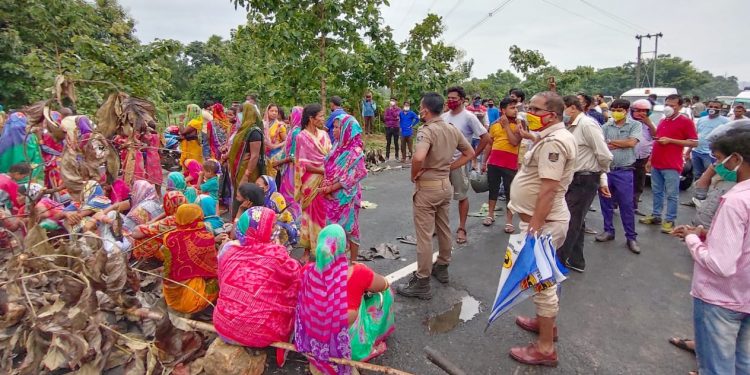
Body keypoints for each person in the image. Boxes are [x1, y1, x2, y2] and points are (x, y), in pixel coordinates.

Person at [671, 129, 750, 375]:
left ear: (735, 159)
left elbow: (721, 264)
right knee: (742, 363)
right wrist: (707, 234)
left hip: (721, 297)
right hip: (745, 296)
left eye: (717, 159)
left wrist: (693, 238)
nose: (715, 165)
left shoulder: (736, 201)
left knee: (717, 367)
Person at [507, 91, 577, 367]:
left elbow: (548, 189)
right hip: (541, 221)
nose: (529, 112)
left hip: (544, 223)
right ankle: (544, 324)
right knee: (542, 279)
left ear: (553, 115)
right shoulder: (550, 137)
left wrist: (534, 227)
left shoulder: (555, 143)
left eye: (535, 109)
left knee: (542, 283)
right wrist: (530, 137)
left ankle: (545, 348)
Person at [397, 92, 473, 300]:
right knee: (443, 228)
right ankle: (443, 266)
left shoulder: (426, 131)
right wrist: (449, 167)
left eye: (421, 107)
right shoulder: (451, 129)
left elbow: (419, 156)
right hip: (445, 186)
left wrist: (414, 175)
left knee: (424, 236)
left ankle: (422, 281)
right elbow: (470, 153)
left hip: (428, 188)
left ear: (425, 110)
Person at [295, 224, 394, 373]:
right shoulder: (357, 273)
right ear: (344, 247)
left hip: (313, 342)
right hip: (347, 347)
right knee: (386, 294)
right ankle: (368, 344)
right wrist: (365, 276)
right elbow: (384, 285)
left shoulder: (307, 271)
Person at [214, 207, 301, 347]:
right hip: (256, 333)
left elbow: (222, 281)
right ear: (259, 230)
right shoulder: (277, 255)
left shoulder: (228, 248)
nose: (275, 229)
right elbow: (296, 278)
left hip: (223, 325)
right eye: (271, 226)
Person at [556, 96, 612, 272]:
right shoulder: (571, 126)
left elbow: (604, 155)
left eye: (563, 109)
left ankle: (556, 264)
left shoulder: (587, 124)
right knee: (576, 220)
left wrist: (600, 177)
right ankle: (576, 260)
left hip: (585, 179)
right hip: (574, 178)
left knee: (569, 221)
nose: (561, 114)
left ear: (572, 108)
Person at [639, 94, 698, 233]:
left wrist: (671, 141)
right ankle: (656, 215)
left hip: (672, 164)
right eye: (667, 105)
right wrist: (650, 160)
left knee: (672, 194)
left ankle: (670, 220)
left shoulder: (685, 121)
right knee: (657, 191)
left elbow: (694, 142)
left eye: (672, 106)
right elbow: (657, 141)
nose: (669, 108)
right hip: (657, 163)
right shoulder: (663, 120)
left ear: (680, 106)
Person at [441, 86, 490, 244]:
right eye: (448, 98)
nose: (451, 101)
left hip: (459, 163)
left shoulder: (469, 117)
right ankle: (440, 227)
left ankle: (461, 228)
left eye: (454, 98)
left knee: (461, 196)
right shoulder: (443, 117)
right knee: (441, 197)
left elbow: (485, 137)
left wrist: (473, 155)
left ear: (462, 99)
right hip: (442, 164)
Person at [595, 99, 642, 254]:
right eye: (613, 109)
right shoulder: (606, 126)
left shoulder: (635, 125)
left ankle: (631, 237)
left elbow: (631, 143)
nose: (616, 112)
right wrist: (619, 143)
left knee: (626, 205)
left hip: (625, 170)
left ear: (627, 111)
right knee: (605, 202)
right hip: (607, 170)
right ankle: (608, 231)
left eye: (619, 109)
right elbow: (601, 145)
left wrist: (611, 142)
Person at [320, 114, 368, 260]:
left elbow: (356, 175)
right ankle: (334, 260)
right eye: (333, 127)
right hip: (332, 196)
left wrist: (331, 187)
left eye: (336, 127)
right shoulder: (336, 147)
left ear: (347, 130)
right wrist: (326, 184)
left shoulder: (355, 152)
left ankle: (353, 263)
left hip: (347, 196)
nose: (333, 130)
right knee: (332, 228)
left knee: (350, 228)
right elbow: (328, 167)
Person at [162, 203, 218, 314]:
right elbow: (213, 269)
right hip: (192, 301)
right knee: (220, 277)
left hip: (171, 297)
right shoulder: (205, 238)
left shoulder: (168, 237)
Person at [295, 103, 332, 263]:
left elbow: (330, 156)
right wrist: (322, 171)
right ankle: (307, 250)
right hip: (311, 182)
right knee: (309, 216)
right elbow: (302, 163)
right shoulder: (301, 137)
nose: (323, 119)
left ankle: (325, 248)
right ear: (311, 118)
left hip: (326, 182)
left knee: (325, 215)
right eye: (321, 116)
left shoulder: (324, 135)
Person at [481, 97, 522, 233]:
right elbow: (489, 143)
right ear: (503, 110)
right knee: (493, 190)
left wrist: (506, 127)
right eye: (512, 108)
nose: (515, 110)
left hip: (510, 164)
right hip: (494, 162)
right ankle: (490, 214)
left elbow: (514, 142)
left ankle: (509, 221)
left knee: (510, 192)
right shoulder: (494, 125)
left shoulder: (520, 125)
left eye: (516, 108)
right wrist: (484, 162)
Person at [228, 102, 265, 216]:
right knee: (239, 194)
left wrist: (246, 175)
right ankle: (237, 219)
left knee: (247, 195)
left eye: (240, 113)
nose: (238, 115)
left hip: (248, 170)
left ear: (247, 113)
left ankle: (248, 220)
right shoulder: (243, 129)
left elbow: (254, 155)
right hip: (239, 168)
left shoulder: (254, 132)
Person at [131, 190, 187, 261]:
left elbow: (136, 233)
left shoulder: (172, 220)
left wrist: (150, 223)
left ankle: (145, 259)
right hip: (184, 252)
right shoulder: (189, 214)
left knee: (146, 237)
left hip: (174, 256)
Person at [688, 100, 729, 181]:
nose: (712, 108)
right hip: (696, 152)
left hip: (710, 154)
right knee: (697, 174)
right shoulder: (701, 119)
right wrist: (689, 151)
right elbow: (696, 136)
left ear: (720, 109)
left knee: (710, 175)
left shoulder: (725, 121)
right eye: (710, 106)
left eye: (716, 107)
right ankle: (698, 191)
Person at [0, 112, 44, 181]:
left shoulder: (3, 140)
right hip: (28, 178)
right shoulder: (32, 138)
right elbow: (37, 158)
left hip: (5, 180)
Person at [256, 175, 298, 246]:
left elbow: (285, 216)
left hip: (281, 223)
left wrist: (271, 217)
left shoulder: (277, 197)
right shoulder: (259, 196)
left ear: (267, 187)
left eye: (258, 185)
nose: (255, 187)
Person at [631, 99, 656, 216]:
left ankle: (634, 205)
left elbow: (656, 136)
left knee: (639, 182)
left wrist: (649, 123)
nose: (641, 113)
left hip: (643, 157)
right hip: (629, 156)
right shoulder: (628, 122)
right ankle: (615, 202)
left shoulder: (650, 124)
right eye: (638, 111)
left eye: (644, 111)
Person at [277, 106, 303, 219]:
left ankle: (293, 219)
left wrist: (279, 162)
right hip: (290, 167)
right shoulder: (295, 130)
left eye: (292, 114)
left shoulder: (296, 132)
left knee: (290, 194)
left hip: (292, 169)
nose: (289, 116)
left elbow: (293, 156)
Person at [263, 103, 287, 175]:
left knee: (273, 176)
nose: (274, 113)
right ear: (267, 111)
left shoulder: (280, 126)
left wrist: (275, 146)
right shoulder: (262, 124)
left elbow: (286, 141)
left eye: (276, 111)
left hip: (275, 156)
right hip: (263, 155)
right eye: (272, 111)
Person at [142, 122, 163, 195]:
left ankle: (150, 194)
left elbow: (145, 140)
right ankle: (159, 193)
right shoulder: (157, 135)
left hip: (150, 157)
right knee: (158, 174)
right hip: (156, 155)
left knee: (151, 174)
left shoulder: (149, 136)